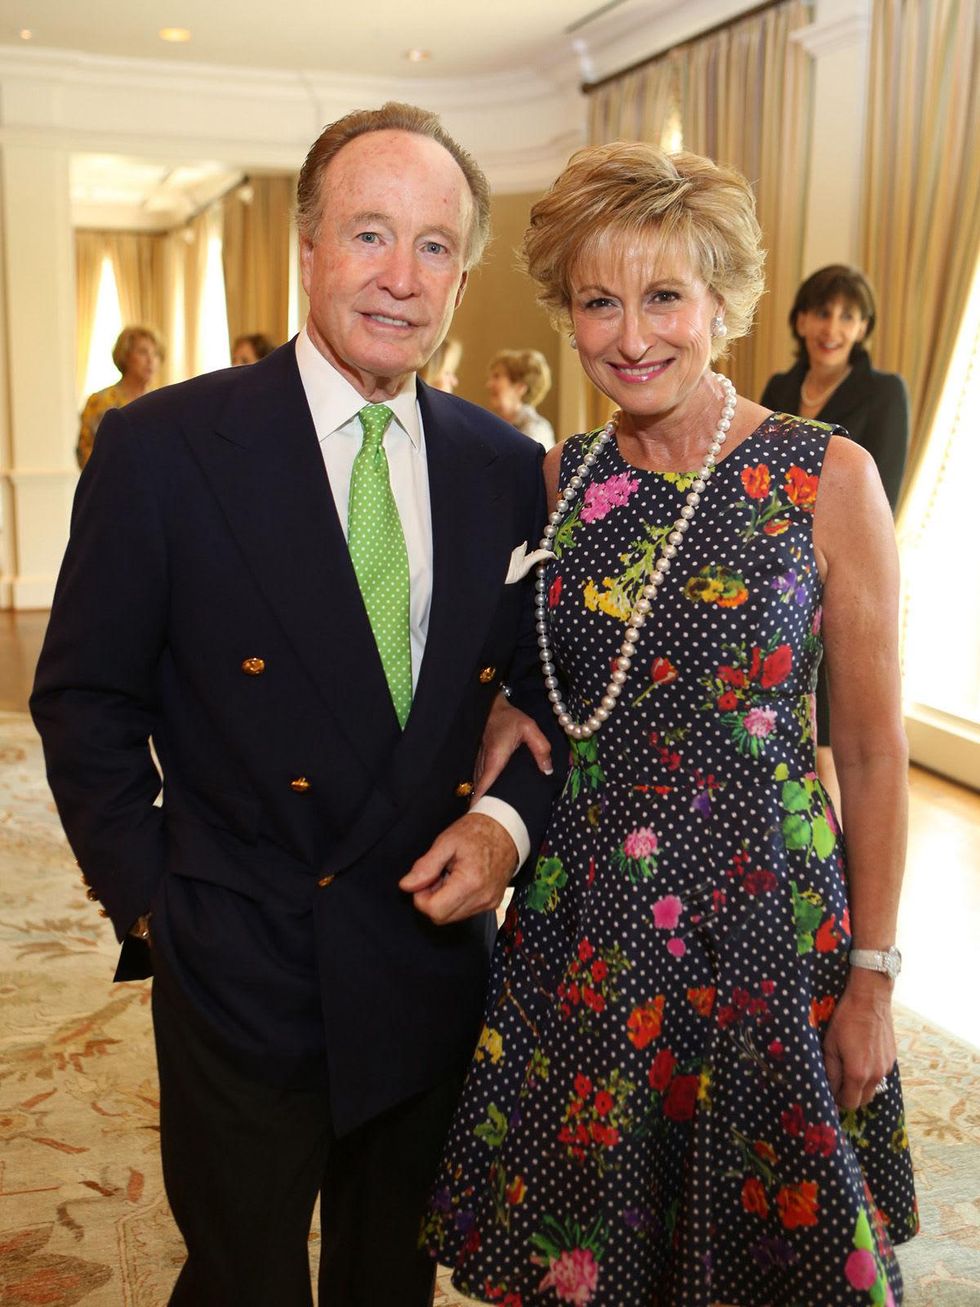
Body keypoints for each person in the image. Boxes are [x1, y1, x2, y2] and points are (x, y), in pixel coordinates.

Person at [32, 101, 563, 1307]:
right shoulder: (165, 448)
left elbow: (546, 692)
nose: (399, 276)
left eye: (433, 245)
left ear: (462, 277)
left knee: (391, 1278)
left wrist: (503, 828)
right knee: (243, 1275)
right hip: (241, 948)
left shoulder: (504, 467)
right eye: (369, 233)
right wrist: (153, 899)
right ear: (309, 246)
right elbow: (86, 696)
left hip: (427, 948)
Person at [423, 143, 917, 1304]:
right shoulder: (562, 476)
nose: (630, 335)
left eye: (663, 296)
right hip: (591, 925)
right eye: (598, 301)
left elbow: (866, 749)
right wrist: (506, 697)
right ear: (567, 315)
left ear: (721, 303)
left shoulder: (826, 473)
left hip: (766, 924)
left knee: (768, 1249)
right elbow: (542, 666)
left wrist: (872, 980)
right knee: (597, 1248)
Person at [761, 266, 909, 812]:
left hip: (846, 579)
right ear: (801, 319)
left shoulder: (884, 393)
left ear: (863, 328)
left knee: (841, 737)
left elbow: (884, 494)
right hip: (780, 577)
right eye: (822, 313)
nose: (833, 327)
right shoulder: (779, 388)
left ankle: (831, 845)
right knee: (786, 725)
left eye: (848, 316)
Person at [76, 324, 163, 468]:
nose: (151, 360)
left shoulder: (160, 403)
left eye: (155, 354)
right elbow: (86, 454)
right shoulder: (99, 401)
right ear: (125, 356)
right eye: (143, 352)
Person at [486, 347, 555, 449]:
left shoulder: (536, 429)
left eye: (497, 376)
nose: (489, 384)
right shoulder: (494, 426)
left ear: (520, 387)